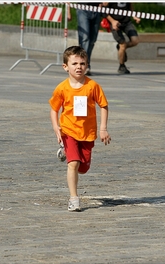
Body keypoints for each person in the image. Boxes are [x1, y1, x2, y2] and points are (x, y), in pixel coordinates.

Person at [49, 46, 111, 212]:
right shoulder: (62, 88)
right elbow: (54, 109)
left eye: (82, 63)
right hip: (68, 131)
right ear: (65, 67)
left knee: (83, 168)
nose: (78, 67)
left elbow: (104, 105)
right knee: (74, 163)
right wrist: (56, 127)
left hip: (87, 133)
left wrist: (103, 128)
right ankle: (73, 199)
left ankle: (66, 153)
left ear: (87, 65)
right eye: (74, 63)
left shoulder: (92, 86)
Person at [103, 2, 140, 74]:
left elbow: (130, 5)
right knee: (122, 44)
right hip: (115, 22)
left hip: (126, 22)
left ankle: (120, 48)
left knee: (135, 41)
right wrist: (113, 22)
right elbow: (104, 12)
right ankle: (122, 66)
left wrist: (134, 16)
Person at [67, 3, 103, 76]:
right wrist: (68, 11)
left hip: (96, 10)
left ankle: (85, 63)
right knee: (85, 38)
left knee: (92, 40)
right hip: (82, 9)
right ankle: (84, 65)